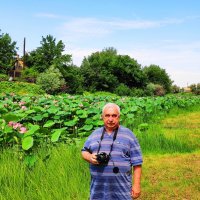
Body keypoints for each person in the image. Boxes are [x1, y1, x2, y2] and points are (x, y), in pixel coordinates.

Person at [81, 103, 143, 200]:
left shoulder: (129, 135)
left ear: (119, 117)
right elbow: (84, 151)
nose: (110, 119)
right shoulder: (94, 134)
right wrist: (90, 157)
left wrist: (136, 185)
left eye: (114, 115)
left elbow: (137, 163)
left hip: (122, 190)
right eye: (107, 115)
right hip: (98, 190)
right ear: (102, 117)